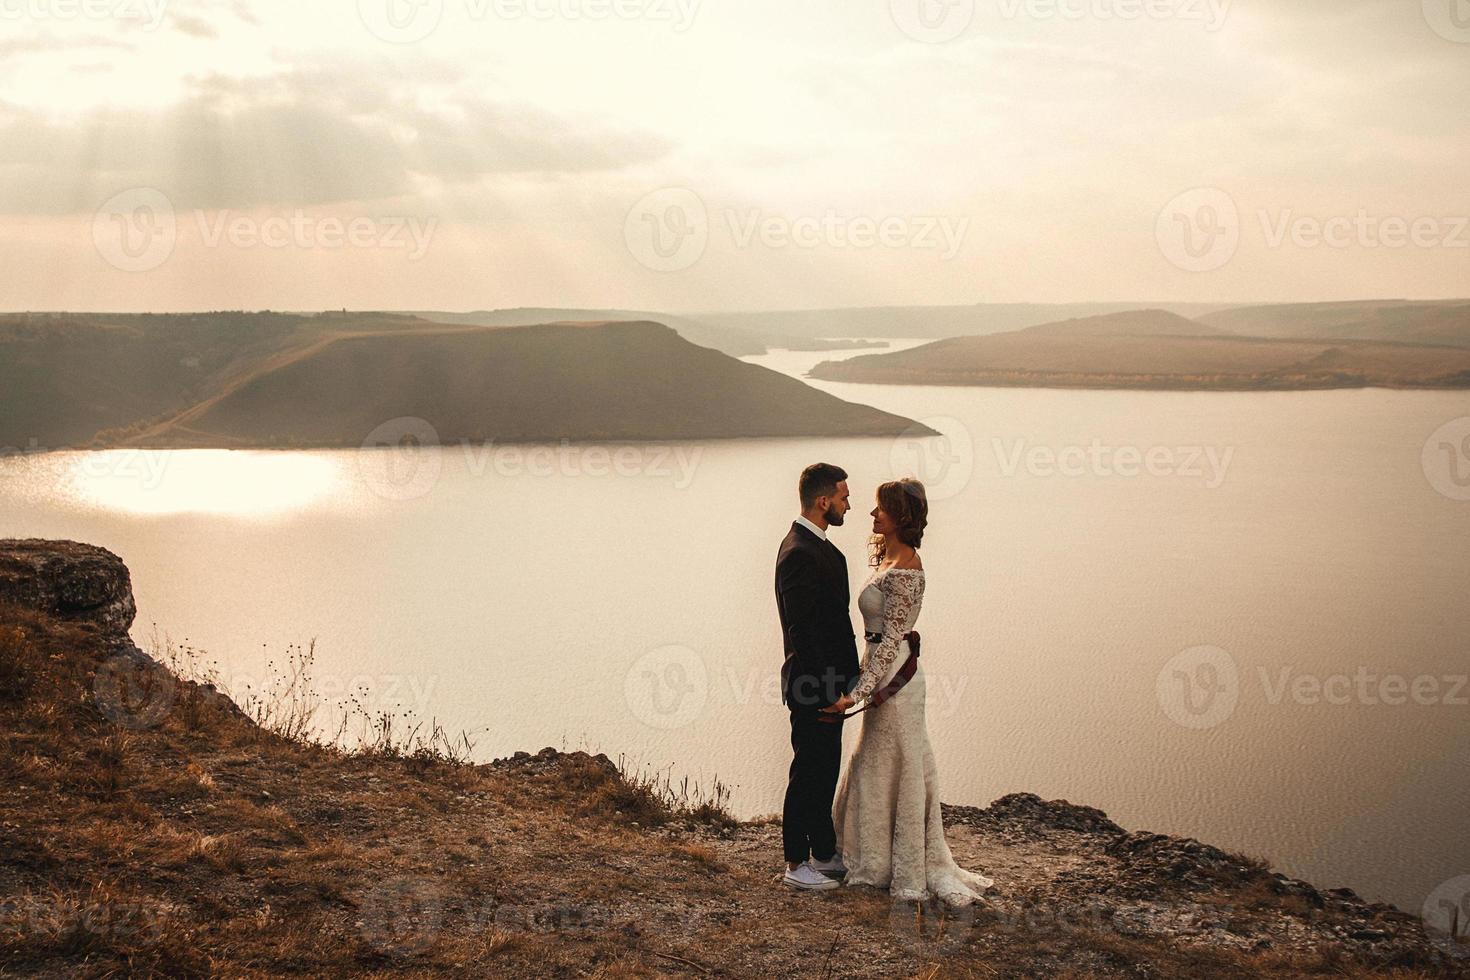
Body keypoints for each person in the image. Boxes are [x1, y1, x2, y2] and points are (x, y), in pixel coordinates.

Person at [830, 478, 994, 906]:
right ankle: (869, 854)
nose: (871, 515)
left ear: (900, 515)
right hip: (879, 668)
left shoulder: (909, 571)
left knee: (897, 758)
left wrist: (858, 692)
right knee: (875, 758)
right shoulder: (888, 557)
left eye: (880, 508)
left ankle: (896, 863)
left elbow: (891, 641)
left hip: (897, 679)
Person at [774, 462, 858, 891]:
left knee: (825, 771)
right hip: (811, 687)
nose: (849, 504)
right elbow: (803, 633)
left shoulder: (823, 549)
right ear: (824, 501)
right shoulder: (798, 553)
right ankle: (795, 864)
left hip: (830, 687)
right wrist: (826, 691)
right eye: (844, 497)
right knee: (806, 773)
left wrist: (849, 682)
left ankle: (823, 852)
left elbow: (836, 624)